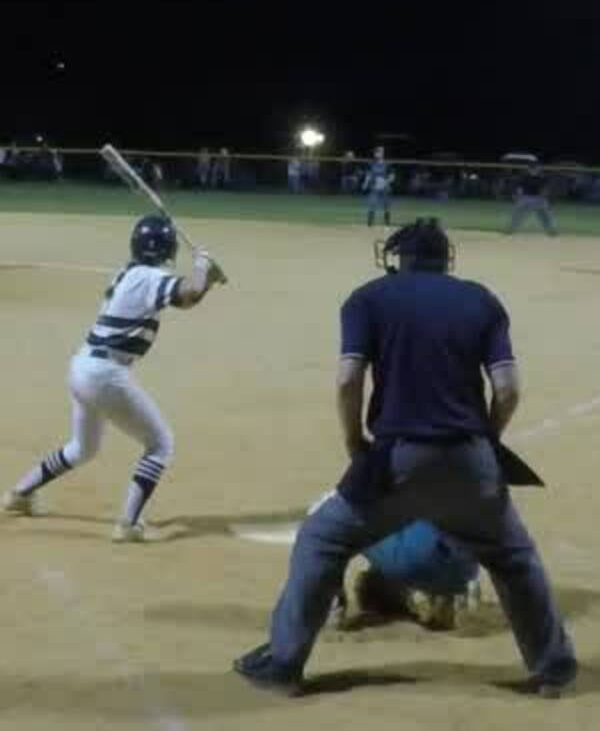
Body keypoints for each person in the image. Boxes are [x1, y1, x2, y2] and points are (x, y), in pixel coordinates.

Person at [233, 219, 576, 698]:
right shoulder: (481, 300)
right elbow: (508, 389)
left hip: (398, 460)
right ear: (445, 259)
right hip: (472, 459)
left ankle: (284, 663)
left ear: (398, 259)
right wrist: (485, 440)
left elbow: (348, 380)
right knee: (514, 558)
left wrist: (354, 442)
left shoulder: (368, 298)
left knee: (322, 538)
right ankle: (552, 668)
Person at [2, 216, 225, 542]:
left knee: (82, 448)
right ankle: (128, 524)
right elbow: (188, 293)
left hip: (82, 368)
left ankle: (19, 494)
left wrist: (207, 278)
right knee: (160, 444)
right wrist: (203, 266)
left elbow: (188, 294)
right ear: (168, 249)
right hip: (105, 375)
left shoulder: (130, 274)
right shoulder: (150, 277)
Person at [307, 491, 485, 632]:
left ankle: (330, 606)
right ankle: (452, 595)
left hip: (416, 557)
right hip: (464, 563)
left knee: (323, 510)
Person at [505, 162, 558, 237]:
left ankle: (551, 231)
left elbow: (546, 189)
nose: (535, 170)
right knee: (518, 215)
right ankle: (510, 230)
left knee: (544, 216)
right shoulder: (527, 177)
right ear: (529, 169)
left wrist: (544, 196)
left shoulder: (540, 177)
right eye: (533, 168)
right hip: (528, 198)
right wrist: (517, 195)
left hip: (536, 199)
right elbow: (519, 188)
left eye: (536, 168)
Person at [363, 147, 393, 228]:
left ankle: (387, 224)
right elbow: (369, 175)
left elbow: (392, 176)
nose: (377, 154)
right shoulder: (372, 164)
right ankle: (370, 224)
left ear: (382, 154)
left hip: (385, 187)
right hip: (374, 187)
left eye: (379, 152)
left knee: (386, 205)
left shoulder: (387, 164)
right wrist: (365, 183)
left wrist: (386, 182)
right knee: (372, 203)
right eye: (376, 152)